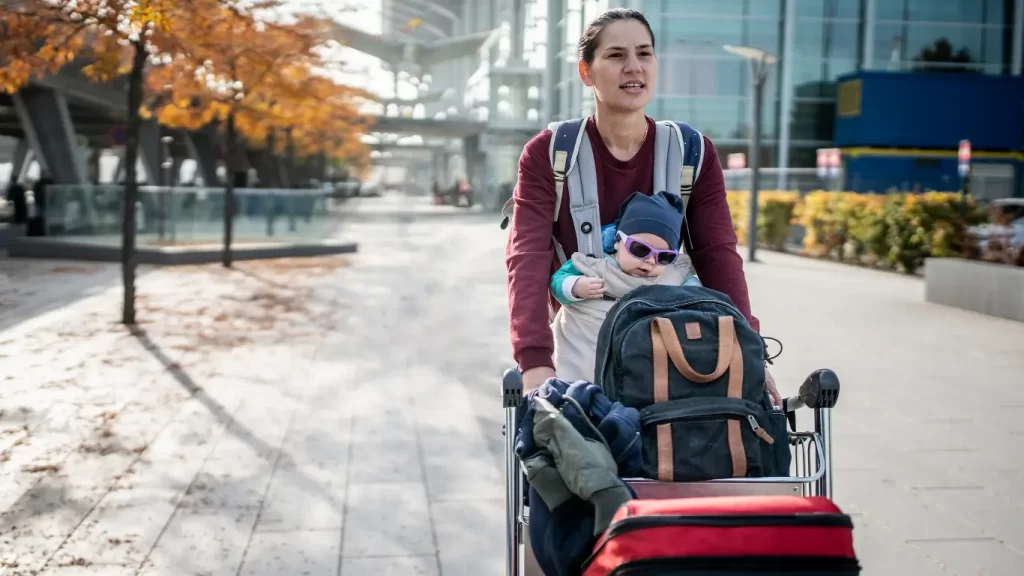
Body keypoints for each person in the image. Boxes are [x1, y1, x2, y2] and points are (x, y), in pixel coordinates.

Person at [504, 7, 782, 406]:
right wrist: (534, 363)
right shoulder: (548, 155)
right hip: (580, 351)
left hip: (672, 351)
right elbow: (527, 257)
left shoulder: (692, 153)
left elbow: (717, 255)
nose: (633, 67)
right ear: (586, 72)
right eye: (616, 55)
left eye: (644, 54)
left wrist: (750, 350)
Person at [549, 191, 700, 382]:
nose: (649, 262)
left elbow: (697, 294)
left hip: (639, 358)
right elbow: (558, 281)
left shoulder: (672, 275)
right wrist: (576, 286)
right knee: (583, 365)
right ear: (618, 241)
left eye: (663, 256)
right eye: (640, 249)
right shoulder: (597, 264)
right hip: (587, 340)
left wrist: (694, 297)